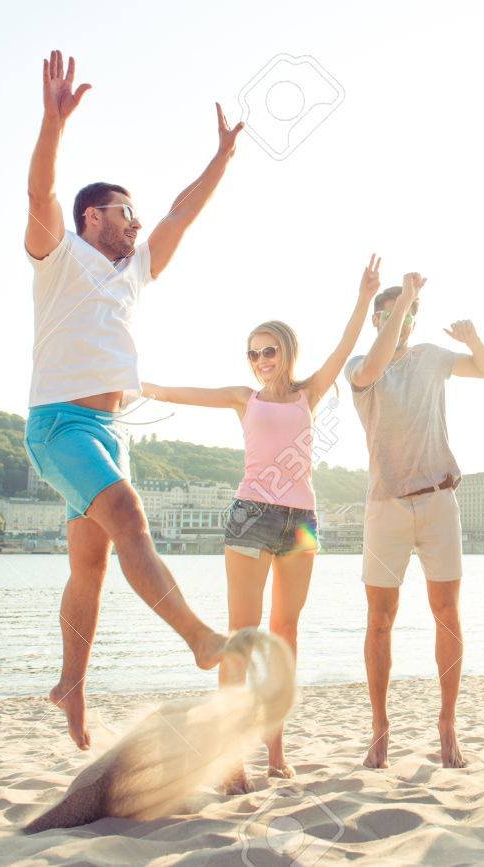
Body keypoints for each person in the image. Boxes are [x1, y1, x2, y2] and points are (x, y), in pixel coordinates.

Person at [22, 50, 239, 749]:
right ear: (92, 218)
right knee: (129, 514)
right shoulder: (59, 254)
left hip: (109, 431)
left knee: (91, 564)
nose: (137, 222)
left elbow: (183, 212)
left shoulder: (135, 270)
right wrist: (52, 124)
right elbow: (39, 193)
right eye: (124, 211)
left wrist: (222, 158)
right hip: (59, 425)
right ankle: (202, 639)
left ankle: (71, 684)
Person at [142, 255, 383, 788]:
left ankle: (275, 750)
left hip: (300, 522)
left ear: (287, 352)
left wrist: (365, 298)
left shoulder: (309, 393)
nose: (259, 361)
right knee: (244, 634)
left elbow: (346, 347)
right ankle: (230, 756)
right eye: (252, 354)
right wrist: (141, 387)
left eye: (268, 351)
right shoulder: (241, 398)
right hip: (252, 516)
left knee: (285, 634)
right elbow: (183, 393)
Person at [345, 271, 484, 769]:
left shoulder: (433, 357)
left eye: (409, 313)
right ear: (375, 319)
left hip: (438, 502)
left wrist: (473, 339)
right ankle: (378, 727)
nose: (402, 321)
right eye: (389, 314)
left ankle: (447, 725)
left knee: (447, 614)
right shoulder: (361, 367)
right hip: (385, 506)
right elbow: (372, 365)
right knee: (380, 620)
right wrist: (406, 297)